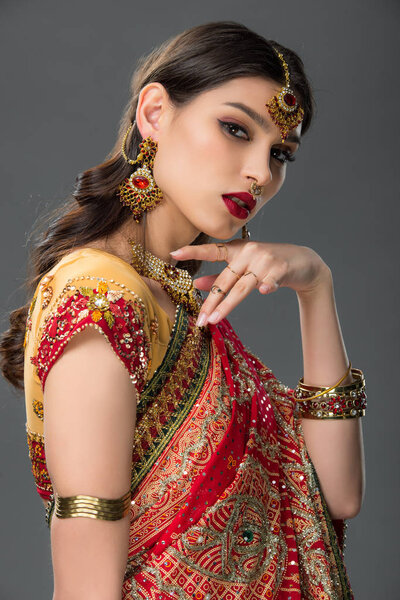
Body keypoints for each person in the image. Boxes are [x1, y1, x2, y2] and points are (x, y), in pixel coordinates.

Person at [0, 21, 366, 600]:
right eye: (234, 129)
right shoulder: (100, 298)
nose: (260, 173)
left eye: (280, 154)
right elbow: (86, 580)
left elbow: (336, 495)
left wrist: (316, 287)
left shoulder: (175, 296)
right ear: (154, 114)